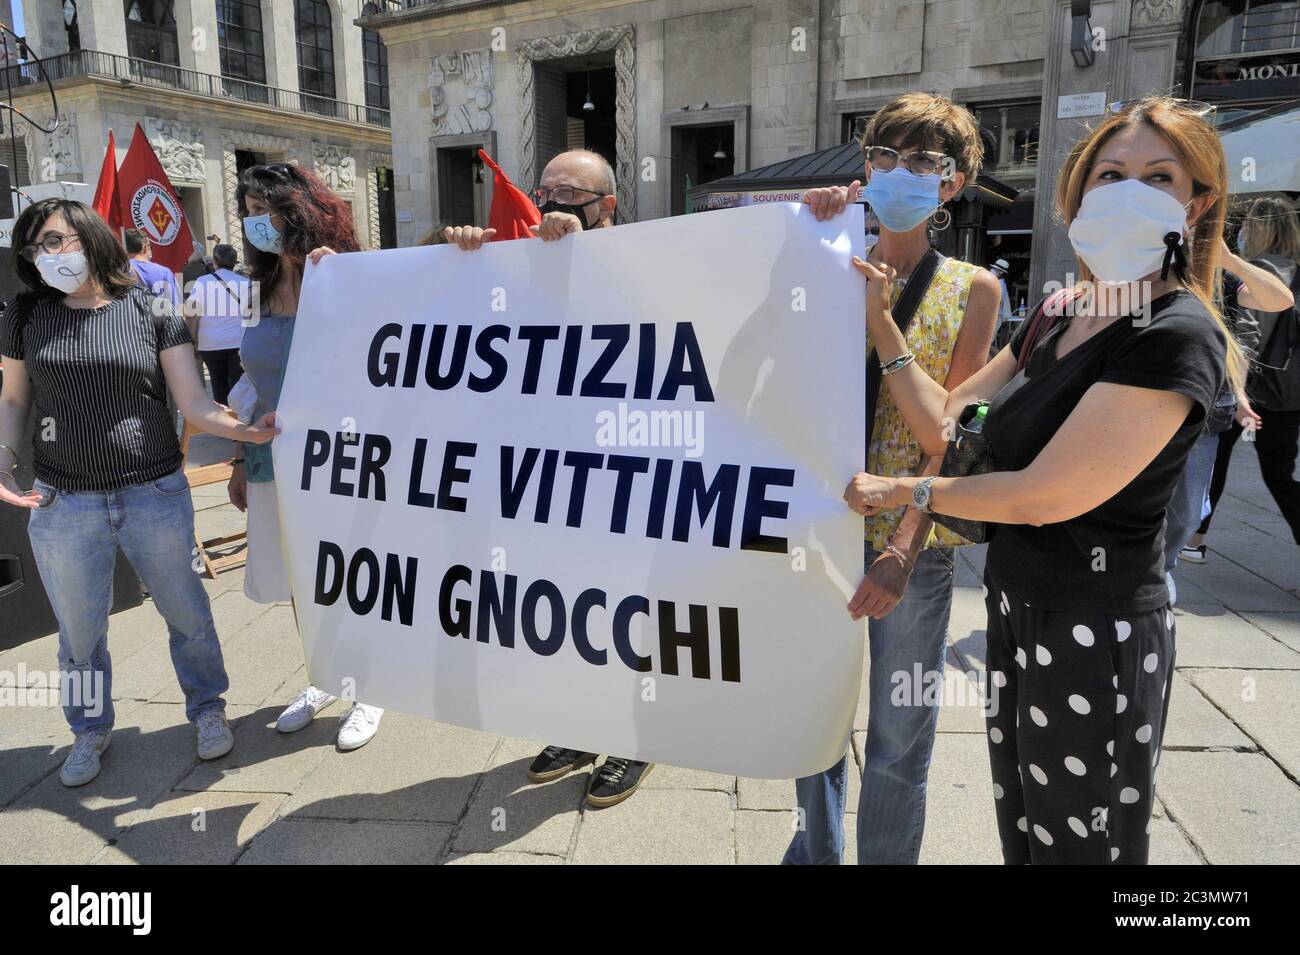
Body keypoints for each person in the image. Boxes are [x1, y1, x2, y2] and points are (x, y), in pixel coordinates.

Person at [842, 96, 1240, 864]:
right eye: (1110, 174)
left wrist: (906, 495)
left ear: (1198, 203)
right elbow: (947, 425)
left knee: (1082, 844)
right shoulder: (1058, 312)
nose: (1129, 192)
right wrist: (886, 323)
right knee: (1026, 831)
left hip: (1097, 628)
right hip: (1019, 610)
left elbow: (1041, 493)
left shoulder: (1175, 335)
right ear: (1078, 194)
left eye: (1159, 177)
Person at [0, 198, 279, 786]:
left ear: (90, 238)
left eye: (55, 241)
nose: (45, 256)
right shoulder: (25, 317)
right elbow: (13, 399)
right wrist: (2, 457)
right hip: (64, 501)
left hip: (152, 493)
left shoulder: (153, 309)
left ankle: (207, 709)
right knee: (78, 633)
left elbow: (194, 402)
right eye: (34, 248)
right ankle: (88, 729)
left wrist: (244, 431)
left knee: (187, 614)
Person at [789, 93, 1000, 864]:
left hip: (909, 539)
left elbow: (950, 434)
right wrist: (802, 223)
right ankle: (814, 848)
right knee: (808, 715)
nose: (900, 172)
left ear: (953, 184)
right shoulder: (821, 251)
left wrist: (904, 548)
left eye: (924, 163)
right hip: (814, 525)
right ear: (864, 165)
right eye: (886, 156)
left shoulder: (974, 289)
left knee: (897, 735)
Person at [445, 148, 659, 808]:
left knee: (627, 610)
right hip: (546, 479)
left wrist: (587, 261)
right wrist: (471, 257)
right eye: (547, 189)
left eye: (572, 191)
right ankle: (578, 727)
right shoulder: (522, 259)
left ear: (608, 205)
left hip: (626, 474)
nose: (555, 200)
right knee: (567, 610)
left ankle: (636, 737)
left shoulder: (646, 259)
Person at [225, 162, 385, 752]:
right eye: (247, 211)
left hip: (345, 461)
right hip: (273, 459)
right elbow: (248, 379)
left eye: (266, 210)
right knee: (300, 580)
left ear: (301, 213)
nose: (255, 223)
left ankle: (370, 684)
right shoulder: (252, 293)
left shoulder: (348, 278)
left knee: (352, 571)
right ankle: (323, 674)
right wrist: (242, 460)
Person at [1161, 228, 1292, 585]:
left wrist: (1231, 260)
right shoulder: (1146, 273)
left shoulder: (1224, 279)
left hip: (1206, 410)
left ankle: (1163, 565)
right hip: (1148, 403)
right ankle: (1156, 578)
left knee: (1188, 514)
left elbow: (1280, 299)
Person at [1190, 197, 1300, 555]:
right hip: (1288, 397)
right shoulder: (1296, 272)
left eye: (1248, 225)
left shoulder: (1255, 272)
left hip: (1251, 394)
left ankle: (1195, 539)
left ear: (1258, 229)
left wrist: (1238, 392)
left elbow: (1247, 339)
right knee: (1279, 474)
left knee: (1214, 458)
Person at [183, 243, 249, 406]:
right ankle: (239, 422)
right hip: (238, 343)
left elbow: (191, 314)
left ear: (214, 261)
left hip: (209, 344)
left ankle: (224, 425)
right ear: (234, 262)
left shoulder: (202, 282)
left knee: (218, 386)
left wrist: (193, 342)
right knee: (237, 386)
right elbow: (253, 318)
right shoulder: (247, 282)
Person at [124, 227, 182, 312]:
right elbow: (176, 310)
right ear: (145, 247)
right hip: (157, 323)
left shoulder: (117, 271)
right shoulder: (164, 273)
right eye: (150, 247)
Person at [990, 258, 1013, 326]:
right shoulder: (998, 282)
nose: (1001, 273)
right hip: (994, 314)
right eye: (1001, 271)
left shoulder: (1000, 282)